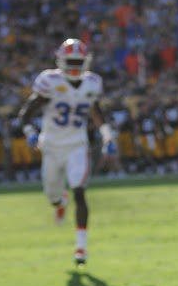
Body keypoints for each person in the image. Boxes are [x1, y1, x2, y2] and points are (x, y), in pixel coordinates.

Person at [18, 38, 116, 265]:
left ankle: (81, 247)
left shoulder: (91, 83)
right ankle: (60, 202)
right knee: (52, 196)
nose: (74, 66)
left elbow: (95, 110)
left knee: (79, 191)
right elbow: (26, 112)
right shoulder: (50, 81)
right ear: (61, 61)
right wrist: (29, 131)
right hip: (51, 146)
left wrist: (107, 135)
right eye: (70, 61)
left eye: (78, 61)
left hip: (77, 145)